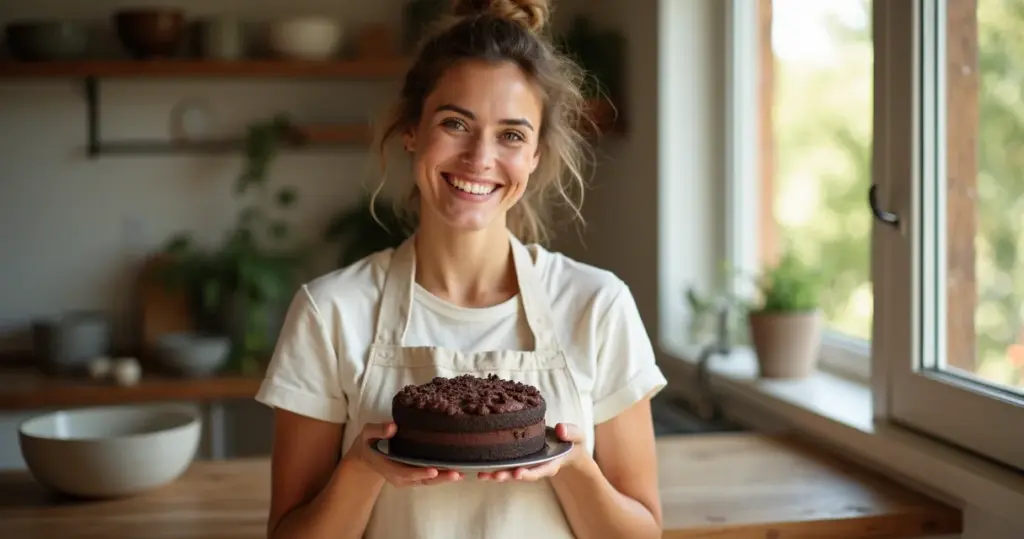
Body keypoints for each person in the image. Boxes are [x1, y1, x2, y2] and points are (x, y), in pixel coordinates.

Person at [254, 0, 667, 537]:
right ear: (411, 130)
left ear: (536, 155)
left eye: (512, 135)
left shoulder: (597, 306)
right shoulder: (331, 312)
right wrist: (362, 466)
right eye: (455, 123)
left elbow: (643, 533)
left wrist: (572, 465)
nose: (479, 157)